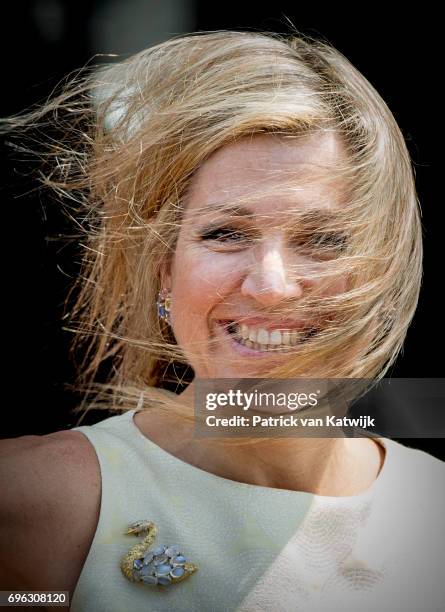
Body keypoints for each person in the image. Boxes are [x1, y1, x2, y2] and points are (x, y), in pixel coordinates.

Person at [0, 29, 443, 611]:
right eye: (226, 233)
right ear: (164, 271)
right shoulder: (31, 506)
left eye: (323, 240)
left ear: (380, 272)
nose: (271, 286)